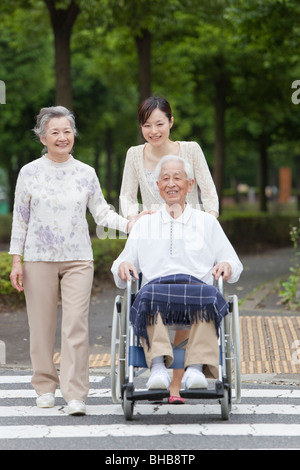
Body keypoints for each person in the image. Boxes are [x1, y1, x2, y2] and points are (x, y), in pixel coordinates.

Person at [9, 106, 144, 416]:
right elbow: (21, 219)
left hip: (78, 259)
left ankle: (75, 394)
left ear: (74, 135)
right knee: (41, 326)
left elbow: (101, 212)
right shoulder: (29, 172)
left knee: (76, 327)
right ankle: (44, 386)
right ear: (42, 137)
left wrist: (130, 223)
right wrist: (17, 260)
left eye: (67, 131)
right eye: (54, 132)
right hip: (39, 259)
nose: (62, 137)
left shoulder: (85, 172)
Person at [112, 155, 243, 392]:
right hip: (155, 291)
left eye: (177, 178)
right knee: (146, 297)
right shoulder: (144, 224)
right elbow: (124, 261)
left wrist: (227, 265)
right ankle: (158, 366)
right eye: (165, 179)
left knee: (211, 298)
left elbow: (233, 262)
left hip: (197, 292)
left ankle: (194, 368)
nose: (171, 183)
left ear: (190, 185)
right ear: (158, 186)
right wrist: (122, 266)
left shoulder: (207, 222)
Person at [119, 95, 219, 402]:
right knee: (155, 290)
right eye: (147, 125)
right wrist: (135, 218)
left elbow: (209, 194)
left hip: (190, 230)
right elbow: (126, 197)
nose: (154, 130)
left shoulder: (190, 150)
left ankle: (186, 376)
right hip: (152, 232)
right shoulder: (135, 155)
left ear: (171, 122)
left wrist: (202, 224)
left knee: (194, 289)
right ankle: (165, 375)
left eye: (159, 123)